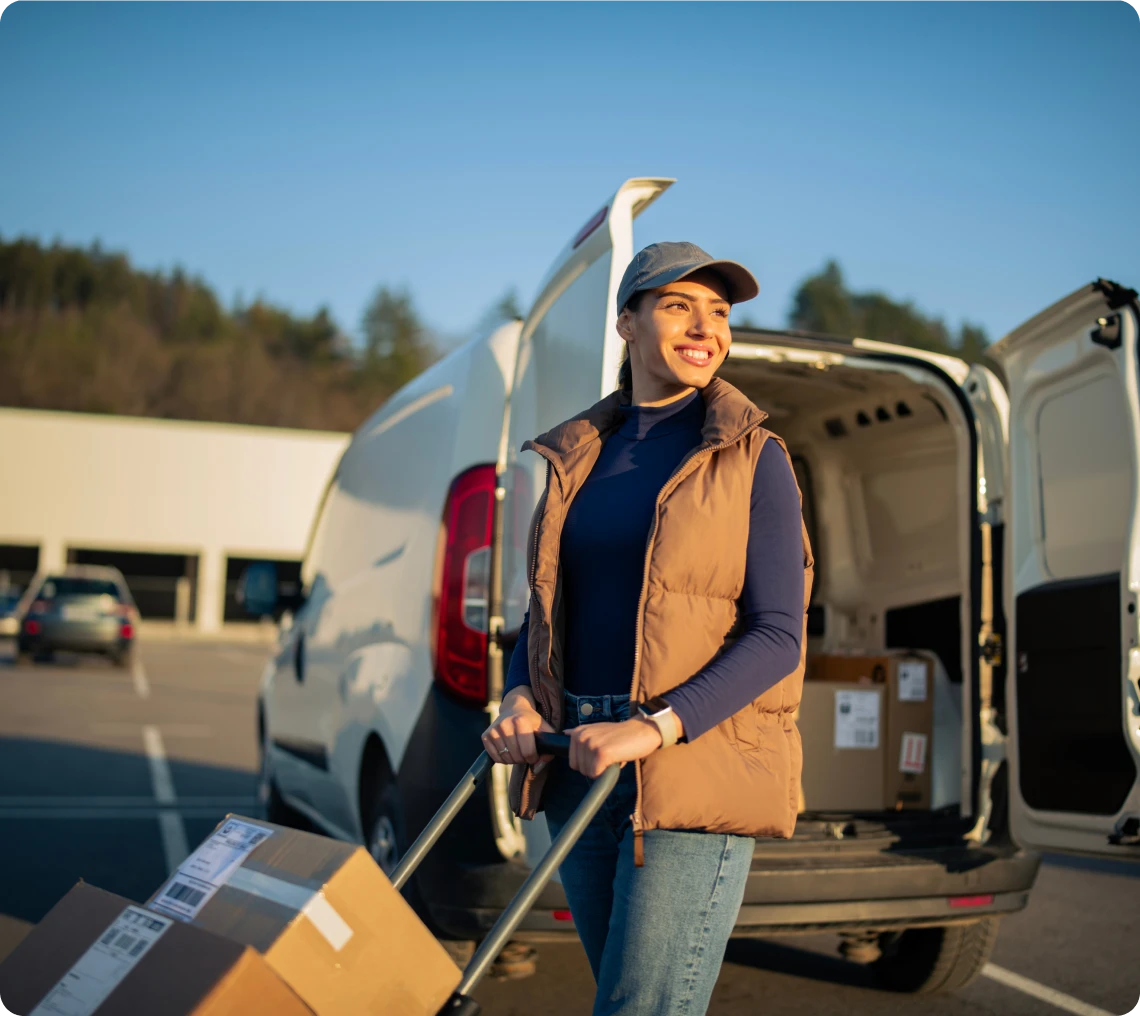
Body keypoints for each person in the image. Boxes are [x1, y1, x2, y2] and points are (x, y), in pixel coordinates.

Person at [482, 241, 814, 1016]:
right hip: (576, 763)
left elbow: (777, 634)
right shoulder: (579, 455)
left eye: (720, 312)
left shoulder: (754, 457)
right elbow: (544, 612)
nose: (705, 327)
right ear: (627, 323)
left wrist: (654, 730)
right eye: (678, 306)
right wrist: (520, 695)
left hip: (688, 764)